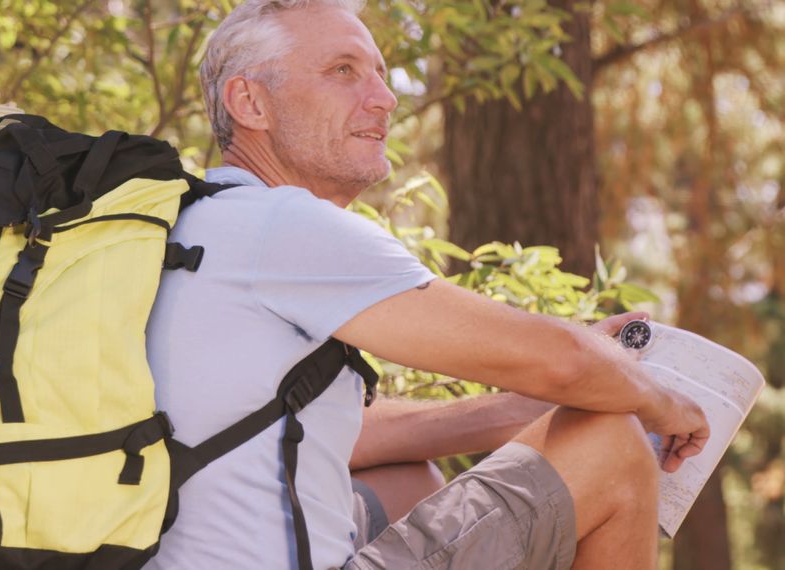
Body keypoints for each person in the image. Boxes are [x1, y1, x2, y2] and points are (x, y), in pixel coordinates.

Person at [142, 1, 710, 568]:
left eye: (381, 75)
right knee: (614, 447)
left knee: (404, 482)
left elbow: (336, 435)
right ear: (250, 102)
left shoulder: (193, 224)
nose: (385, 99)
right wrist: (656, 400)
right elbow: (562, 361)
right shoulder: (284, 225)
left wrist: (526, 408)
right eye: (343, 70)